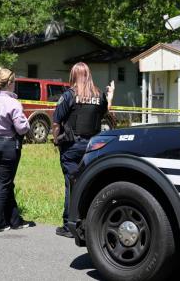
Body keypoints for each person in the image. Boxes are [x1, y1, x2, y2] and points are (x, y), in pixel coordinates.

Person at [52, 62, 114, 238]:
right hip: (93, 147)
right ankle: (91, 222)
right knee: (90, 184)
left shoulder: (69, 95)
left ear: (73, 76)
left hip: (72, 146)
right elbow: (105, 112)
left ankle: (68, 225)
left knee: (71, 185)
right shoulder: (99, 96)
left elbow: (56, 122)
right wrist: (111, 96)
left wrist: (56, 140)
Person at [0, 67, 31, 232]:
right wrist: (27, 123)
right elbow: (22, 128)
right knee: (3, 184)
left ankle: (15, 220)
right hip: (7, 146)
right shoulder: (13, 103)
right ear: (10, 83)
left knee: (5, 182)